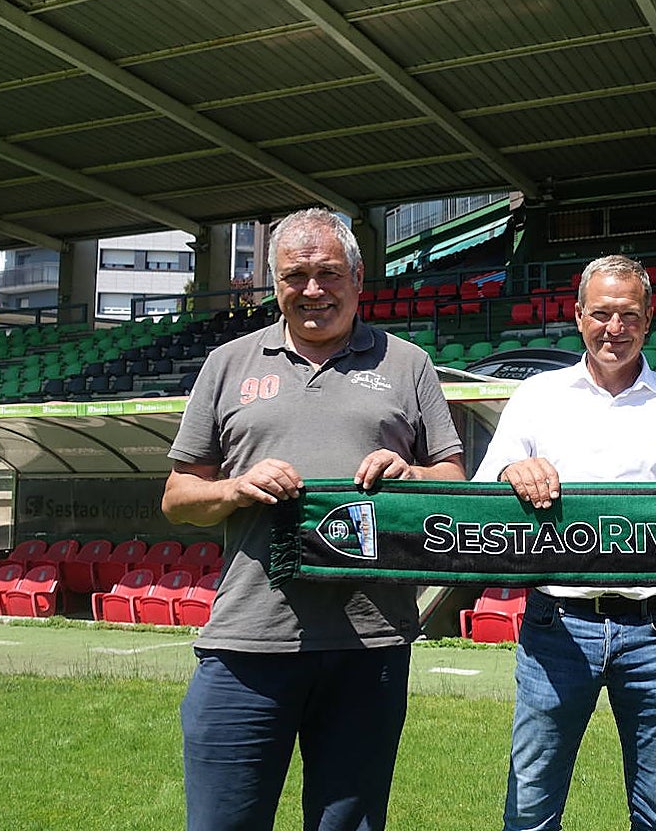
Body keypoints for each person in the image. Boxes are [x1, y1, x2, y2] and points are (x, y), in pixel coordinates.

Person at [162, 208, 465, 831]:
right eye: (294, 276)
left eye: (328, 273)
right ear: (275, 283)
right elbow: (177, 497)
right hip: (249, 640)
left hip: (370, 642)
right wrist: (235, 488)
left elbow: (453, 485)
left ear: (357, 278)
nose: (312, 290)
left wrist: (410, 476)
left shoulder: (407, 363)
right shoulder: (228, 363)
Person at [474, 255, 656, 831]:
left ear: (649, 319)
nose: (614, 328)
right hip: (556, 624)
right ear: (578, 316)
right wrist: (511, 472)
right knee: (531, 803)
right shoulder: (536, 396)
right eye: (601, 314)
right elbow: (483, 491)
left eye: (629, 315)